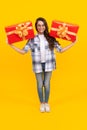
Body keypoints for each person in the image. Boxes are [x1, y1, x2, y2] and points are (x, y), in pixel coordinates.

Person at [8, 17, 77, 113]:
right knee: (40, 84)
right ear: (36, 27)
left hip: (49, 64)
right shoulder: (32, 39)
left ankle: (46, 103)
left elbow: (60, 50)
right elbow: (23, 51)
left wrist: (73, 43)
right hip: (37, 65)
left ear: (45, 26)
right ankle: (42, 103)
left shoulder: (51, 37)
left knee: (47, 84)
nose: (41, 27)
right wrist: (11, 45)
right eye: (39, 25)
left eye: (43, 25)